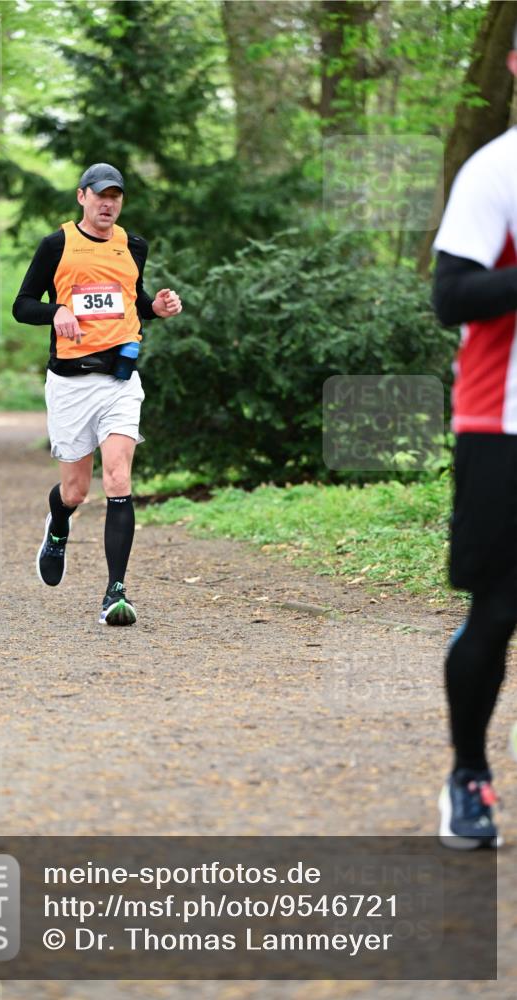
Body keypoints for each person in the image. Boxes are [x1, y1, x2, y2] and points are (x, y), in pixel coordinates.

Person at [12, 163, 182, 625]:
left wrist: (157, 307)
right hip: (70, 383)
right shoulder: (57, 245)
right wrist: (56, 311)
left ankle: (115, 594)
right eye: (100, 195)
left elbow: (133, 300)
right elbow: (22, 305)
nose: (109, 204)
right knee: (75, 490)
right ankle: (58, 526)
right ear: (82, 197)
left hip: (120, 381)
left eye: (116, 196)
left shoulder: (133, 246)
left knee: (119, 479)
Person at [431, 37, 517, 848]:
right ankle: (467, 774)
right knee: (497, 611)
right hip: (503, 425)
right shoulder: (495, 171)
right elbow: (449, 295)